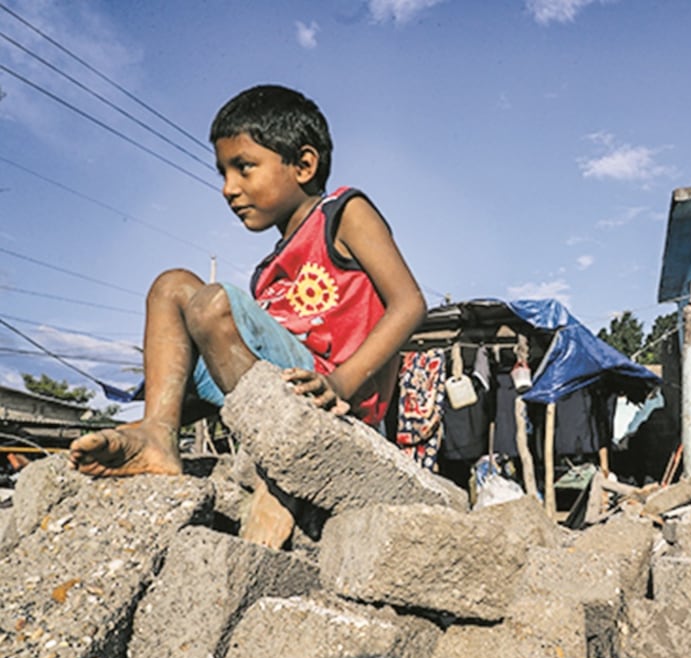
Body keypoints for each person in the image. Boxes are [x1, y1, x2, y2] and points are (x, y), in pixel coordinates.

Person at [68, 84, 427, 548]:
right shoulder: (268, 273)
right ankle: (157, 437)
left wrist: (341, 382)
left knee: (211, 304)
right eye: (223, 172)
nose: (228, 188)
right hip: (275, 392)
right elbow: (235, 373)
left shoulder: (343, 214)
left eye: (244, 167)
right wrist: (166, 408)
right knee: (170, 286)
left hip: (333, 397)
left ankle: (278, 474)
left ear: (304, 165)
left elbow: (409, 303)